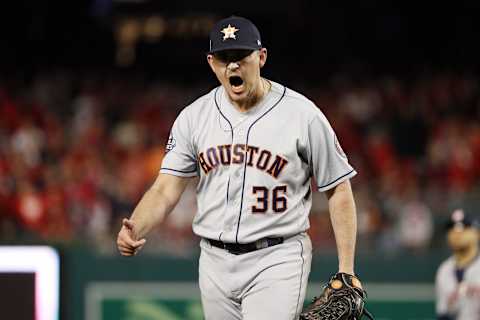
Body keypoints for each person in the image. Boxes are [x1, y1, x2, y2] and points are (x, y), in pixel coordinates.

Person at [117, 15, 359, 320]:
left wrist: (346, 269)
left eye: (241, 57)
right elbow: (165, 189)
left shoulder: (302, 115)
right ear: (211, 62)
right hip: (214, 260)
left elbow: (338, 188)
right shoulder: (194, 118)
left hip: (277, 257)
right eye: (223, 58)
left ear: (261, 57)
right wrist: (137, 224)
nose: (233, 66)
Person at [435, 209, 480, 320]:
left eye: (463, 228)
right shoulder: (444, 270)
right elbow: (443, 314)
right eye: (452, 229)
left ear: (477, 233)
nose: (456, 234)